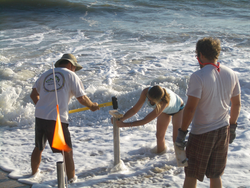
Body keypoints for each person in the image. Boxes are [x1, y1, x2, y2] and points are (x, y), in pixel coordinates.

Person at [175, 37, 241, 188]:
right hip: (223, 130)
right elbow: (236, 104)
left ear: (202, 55)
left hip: (202, 133)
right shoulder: (231, 74)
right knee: (215, 174)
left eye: (197, 55)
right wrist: (232, 127)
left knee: (191, 174)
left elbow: (190, 109)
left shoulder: (198, 76)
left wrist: (182, 133)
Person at [30, 54, 100, 183]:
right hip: (57, 119)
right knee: (66, 151)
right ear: (71, 65)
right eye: (74, 67)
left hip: (40, 116)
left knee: (39, 147)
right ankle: (72, 180)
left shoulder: (45, 74)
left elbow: (34, 94)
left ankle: (33, 175)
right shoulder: (71, 75)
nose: (74, 70)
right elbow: (82, 98)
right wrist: (92, 106)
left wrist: (44, 107)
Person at [116, 85, 185, 154]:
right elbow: (134, 110)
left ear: (158, 100)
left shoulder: (163, 104)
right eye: (148, 98)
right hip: (165, 111)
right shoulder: (146, 92)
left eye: (151, 100)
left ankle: (180, 160)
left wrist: (124, 125)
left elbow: (145, 121)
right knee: (159, 136)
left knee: (176, 140)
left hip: (178, 110)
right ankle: (160, 156)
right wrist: (121, 119)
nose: (148, 100)